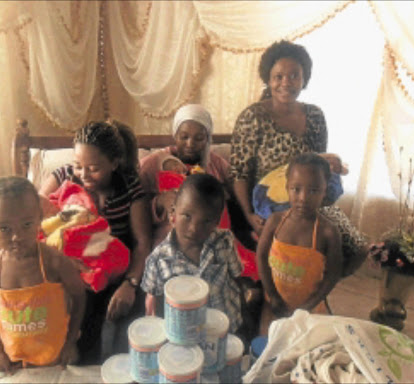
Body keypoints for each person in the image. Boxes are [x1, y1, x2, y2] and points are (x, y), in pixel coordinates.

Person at [230, 39, 366, 276]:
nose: (286, 83)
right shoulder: (252, 117)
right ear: (268, 78)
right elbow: (239, 174)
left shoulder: (315, 116)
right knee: (302, 254)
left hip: (311, 202)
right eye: (279, 76)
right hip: (271, 208)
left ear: (304, 79)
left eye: (294, 76)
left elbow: (317, 165)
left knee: (357, 249)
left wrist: (332, 162)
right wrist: (249, 216)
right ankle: (295, 294)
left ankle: (315, 292)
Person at [39, 121, 152, 362]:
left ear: (114, 162)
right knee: (82, 331)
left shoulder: (129, 187)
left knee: (131, 327)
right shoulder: (63, 176)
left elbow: (143, 242)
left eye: (93, 168)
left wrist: (130, 284)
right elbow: (38, 218)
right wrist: (65, 263)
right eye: (79, 165)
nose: (83, 175)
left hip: (118, 269)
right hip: (71, 267)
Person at [0, 176, 86, 373]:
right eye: (4, 229)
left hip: (55, 355)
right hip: (14, 357)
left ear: (40, 216)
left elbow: (78, 297)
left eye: (27, 225)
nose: (17, 237)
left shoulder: (56, 262)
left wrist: (70, 342)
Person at [140, 174, 243, 335]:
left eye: (206, 221)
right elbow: (157, 301)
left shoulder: (224, 242)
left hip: (225, 327)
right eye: (187, 216)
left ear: (217, 222)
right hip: (184, 335)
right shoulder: (158, 260)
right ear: (173, 212)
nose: (194, 228)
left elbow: (236, 278)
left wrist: (244, 314)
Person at [256, 154, 342, 335]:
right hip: (274, 302)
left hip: (310, 308)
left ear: (324, 191)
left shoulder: (328, 232)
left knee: (309, 349)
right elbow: (261, 257)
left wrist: (306, 308)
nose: (303, 197)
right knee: (267, 343)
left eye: (313, 191)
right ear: (287, 187)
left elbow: (332, 275)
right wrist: (272, 296)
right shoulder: (275, 221)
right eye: (296, 189)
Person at [139, 104, 232, 248]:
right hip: (168, 242)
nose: (190, 144)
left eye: (199, 138)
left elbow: (235, 192)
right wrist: (159, 202)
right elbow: (135, 207)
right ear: (175, 135)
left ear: (207, 138)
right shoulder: (153, 163)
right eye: (184, 137)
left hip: (213, 241)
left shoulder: (216, 163)